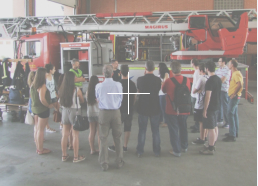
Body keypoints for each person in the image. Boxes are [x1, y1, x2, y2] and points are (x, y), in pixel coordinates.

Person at [95, 64, 124, 171]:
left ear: (103, 74)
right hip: (116, 113)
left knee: (103, 138)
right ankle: (119, 161)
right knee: (118, 138)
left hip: (103, 113)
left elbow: (97, 99)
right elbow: (121, 98)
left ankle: (104, 163)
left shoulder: (98, 86)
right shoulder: (118, 85)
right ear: (112, 73)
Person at [162, 61, 191, 157]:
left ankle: (176, 150)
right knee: (183, 128)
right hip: (184, 109)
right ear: (181, 69)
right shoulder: (187, 80)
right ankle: (184, 146)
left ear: (171, 70)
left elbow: (163, 90)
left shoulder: (168, 81)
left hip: (172, 110)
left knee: (174, 130)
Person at [108, 65, 137, 152]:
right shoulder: (132, 84)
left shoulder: (117, 84)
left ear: (120, 73)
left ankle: (115, 145)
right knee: (127, 128)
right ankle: (125, 146)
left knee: (116, 128)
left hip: (119, 110)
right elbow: (134, 98)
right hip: (129, 109)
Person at [59, 71, 86, 163]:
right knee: (75, 135)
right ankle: (75, 156)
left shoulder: (61, 89)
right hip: (75, 112)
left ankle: (64, 155)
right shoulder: (76, 89)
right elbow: (82, 100)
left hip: (65, 112)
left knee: (65, 134)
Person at [136, 61, 161, 157]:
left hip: (143, 107)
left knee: (142, 130)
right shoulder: (158, 80)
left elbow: (139, 90)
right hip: (155, 107)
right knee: (155, 131)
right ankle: (157, 151)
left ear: (145, 68)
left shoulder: (140, 79)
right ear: (154, 69)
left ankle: (140, 151)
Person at [199, 61, 222, 155]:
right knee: (215, 126)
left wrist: (205, 110)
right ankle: (212, 143)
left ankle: (210, 148)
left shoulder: (210, 81)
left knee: (210, 128)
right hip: (217, 105)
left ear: (207, 69)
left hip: (211, 107)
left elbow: (208, 96)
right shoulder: (218, 79)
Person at [31, 68, 54, 155]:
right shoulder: (42, 85)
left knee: (37, 128)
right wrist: (48, 105)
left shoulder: (33, 84)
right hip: (42, 109)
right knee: (41, 130)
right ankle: (40, 149)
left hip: (35, 109)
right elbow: (42, 99)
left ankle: (38, 147)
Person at [223, 59, 243, 142]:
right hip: (232, 96)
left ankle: (232, 135)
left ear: (232, 65)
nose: (228, 64)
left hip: (233, 97)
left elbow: (240, 84)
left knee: (229, 114)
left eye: (229, 63)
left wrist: (234, 94)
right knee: (234, 115)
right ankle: (234, 132)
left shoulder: (236, 74)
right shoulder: (234, 73)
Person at [191, 63, 209, 145]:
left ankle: (201, 139)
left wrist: (197, 90)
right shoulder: (209, 78)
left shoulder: (201, 79)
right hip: (207, 102)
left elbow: (194, 90)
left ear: (201, 71)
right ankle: (205, 137)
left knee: (201, 122)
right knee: (206, 121)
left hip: (200, 102)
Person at [215, 57, 231, 128]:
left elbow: (222, 80)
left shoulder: (227, 70)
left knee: (225, 107)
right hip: (218, 90)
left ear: (223, 62)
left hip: (224, 90)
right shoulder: (218, 70)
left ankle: (227, 122)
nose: (218, 62)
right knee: (219, 105)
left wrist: (215, 82)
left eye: (219, 61)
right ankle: (220, 120)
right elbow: (215, 78)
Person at [86, 75, 100, 155]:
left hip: (90, 113)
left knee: (92, 132)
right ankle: (100, 149)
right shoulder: (98, 91)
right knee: (99, 133)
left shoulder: (88, 92)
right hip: (98, 113)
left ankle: (92, 149)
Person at [45, 64, 58, 133]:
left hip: (53, 95)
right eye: (54, 69)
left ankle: (61, 123)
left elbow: (53, 87)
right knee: (46, 112)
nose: (55, 70)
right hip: (47, 97)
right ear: (50, 70)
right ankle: (47, 127)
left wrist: (56, 93)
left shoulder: (52, 76)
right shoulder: (44, 77)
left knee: (57, 109)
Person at [190, 59, 202, 133]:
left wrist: (195, 91)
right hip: (194, 94)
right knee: (195, 110)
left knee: (196, 111)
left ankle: (197, 126)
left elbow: (198, 83)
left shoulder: (197, 72)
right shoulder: (197, 71)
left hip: (195, 94)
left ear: (193, 63)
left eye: (191, 62)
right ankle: (196, 125)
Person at [158, 63, 170, 128]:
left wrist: (158, 82)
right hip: (160, 92)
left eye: (158, 66)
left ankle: (166, 121)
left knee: (163, 108)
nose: (158, 68)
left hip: (164, 93)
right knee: (160, 107)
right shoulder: (160, 74)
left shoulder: (166, 74)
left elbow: (166, 83)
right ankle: (160, 120)